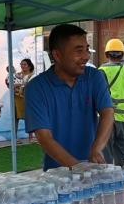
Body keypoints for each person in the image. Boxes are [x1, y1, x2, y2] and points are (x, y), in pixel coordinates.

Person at [24, 24, 114, 170]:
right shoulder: (36, 88)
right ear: (57, 55)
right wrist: (78, 168)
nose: (86, 56)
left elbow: (108, 113)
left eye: (86, 49)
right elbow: (44, 137)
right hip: (57, 175)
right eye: (79, 51)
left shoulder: (94, 77)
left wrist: (97, 149)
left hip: (93, 171)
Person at [99, 38, 124, 166]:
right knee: (123, 152)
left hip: (107, 118)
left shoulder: (102, 71)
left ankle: (109, 180)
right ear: (122, 54)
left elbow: (98, 96)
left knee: (106, 151)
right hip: (122, 118)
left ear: (106, 54)